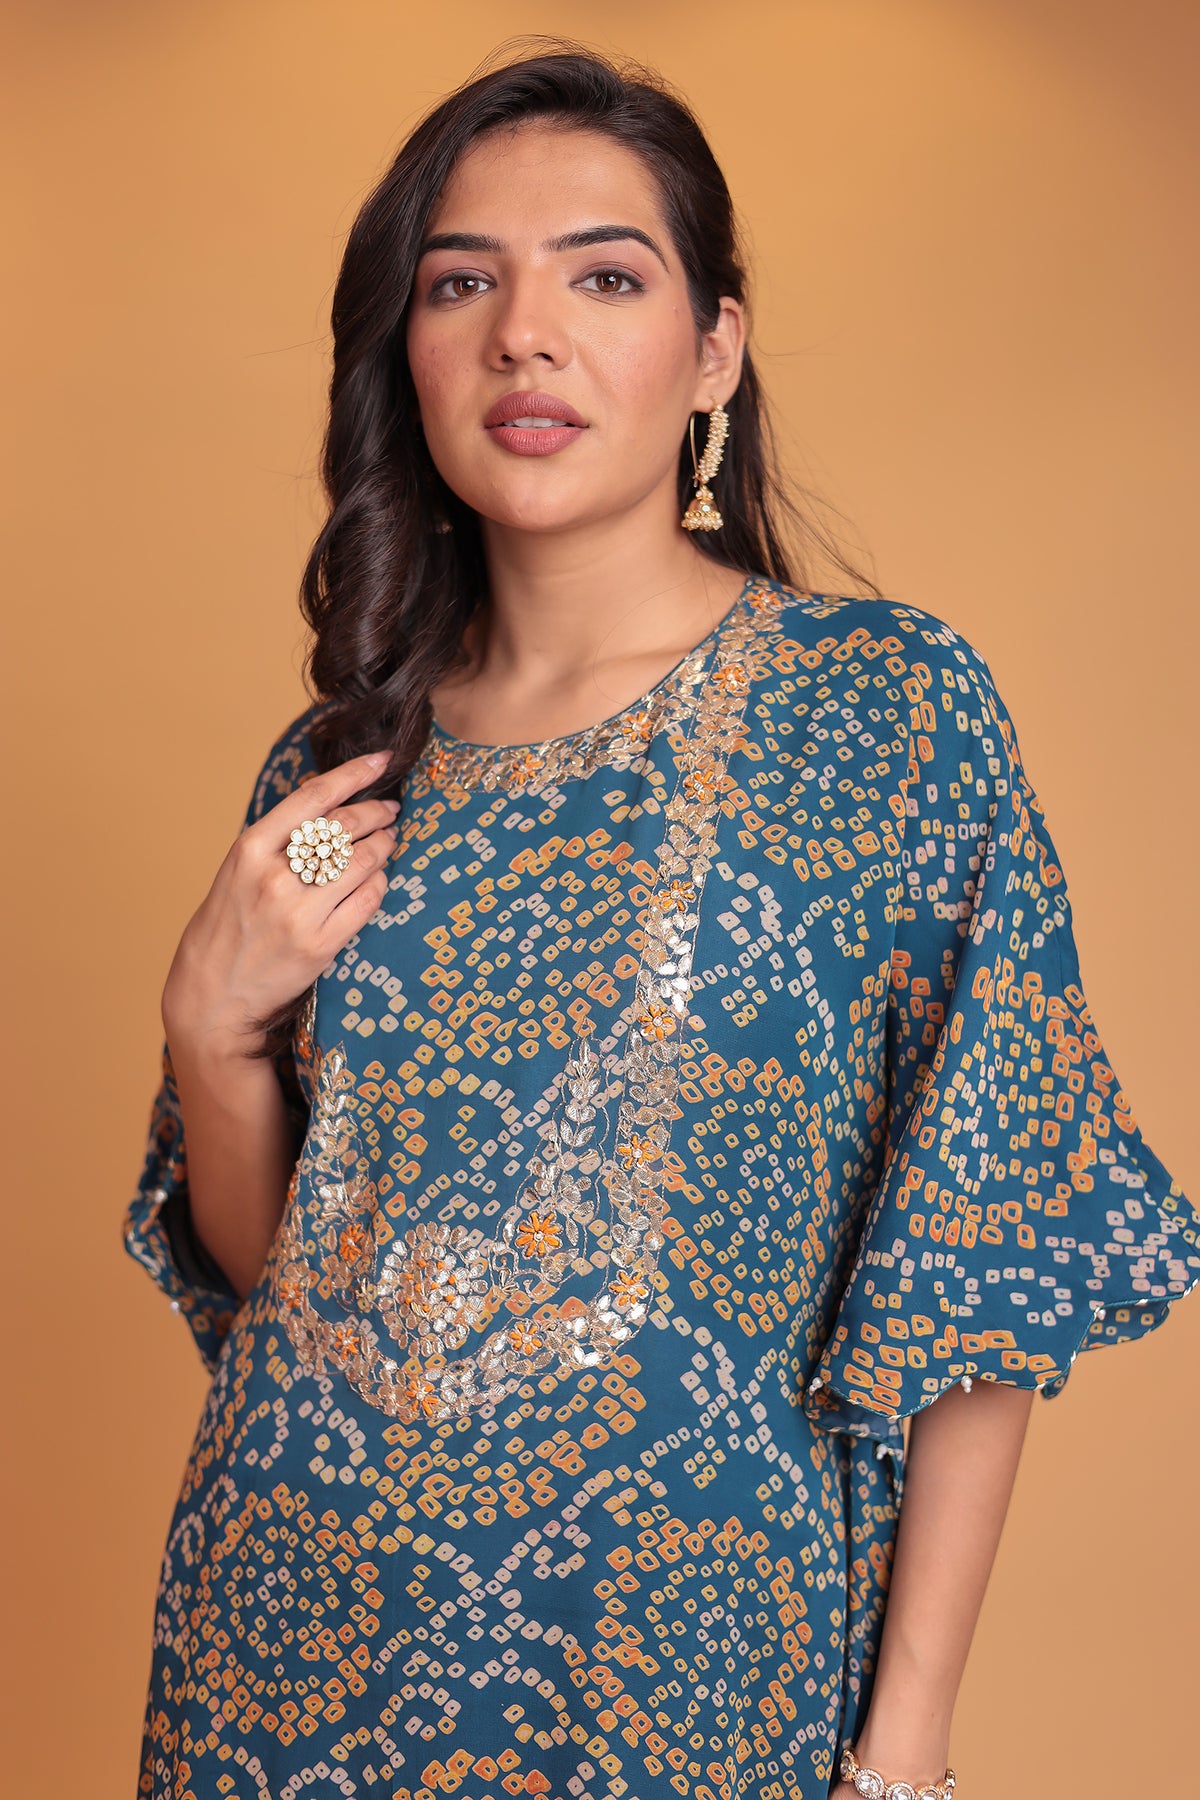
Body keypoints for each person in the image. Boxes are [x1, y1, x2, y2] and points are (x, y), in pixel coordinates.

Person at [123, 41, 1199, 1800]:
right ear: (405, 352)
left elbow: (986, 1257)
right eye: (460, 284)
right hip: (282, 1675)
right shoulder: (340, 768)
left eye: (604, 278)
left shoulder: (880, 713)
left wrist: (904, 1748)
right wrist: (208, 1027)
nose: (523, 336)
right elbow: (287, 1282)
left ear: (714, 350)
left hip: (687, 1685)